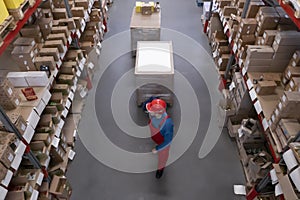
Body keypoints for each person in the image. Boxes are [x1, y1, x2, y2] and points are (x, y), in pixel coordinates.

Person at [145, 98, 174, 179]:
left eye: (151, 110)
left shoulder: (167, 124)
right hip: (157, 139)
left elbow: (168, 141)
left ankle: (160, 170)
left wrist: (157, 148)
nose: (149, 111)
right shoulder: (154, 116)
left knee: (163, 157)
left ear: (158, 113)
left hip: (163, 143)